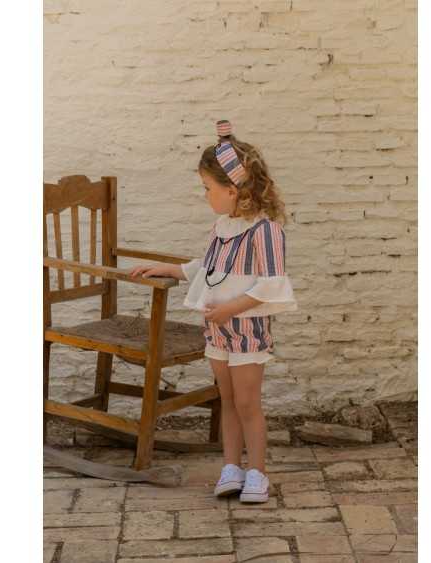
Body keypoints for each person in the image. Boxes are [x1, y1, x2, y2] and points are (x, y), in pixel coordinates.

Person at [129, 119, 297, 503]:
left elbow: (272, 284)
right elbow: (209, 268)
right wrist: (168, 268)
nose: (205, 195)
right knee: (227, 400)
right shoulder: (222, 227)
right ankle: (231, 467)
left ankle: (257, 472)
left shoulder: (265, 231)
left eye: (208, 188)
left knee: (247, 403)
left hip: (247, 329)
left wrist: (230, 310)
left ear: (232, 189)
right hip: (218, 330)